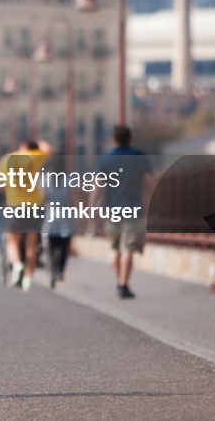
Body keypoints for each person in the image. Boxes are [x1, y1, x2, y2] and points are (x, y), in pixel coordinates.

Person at [94, 124, 151, 299]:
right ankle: (123, 284)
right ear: (130, 138)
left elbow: (97, 185)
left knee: (116, 250)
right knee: (128, 249)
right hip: (134, 210)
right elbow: (149, 182)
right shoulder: (139, 157)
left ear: (114, 139)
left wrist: (93, 205)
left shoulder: (106, 158)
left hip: (112, 211)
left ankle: (119, 281)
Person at [0, 139, 52, 291]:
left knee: (12, 239)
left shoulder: (6, 159)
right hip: (35, 205)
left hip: (15, 205)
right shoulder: (34, 156)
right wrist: (40, 142)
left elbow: (1, 185)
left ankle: (17, 264)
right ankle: (27, 278)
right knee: (32, 244)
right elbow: (48, 149)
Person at [41, 155, 74, 289]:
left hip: (51, 217)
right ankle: (60, 270)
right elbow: (74, 197)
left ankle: (52, 267)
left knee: (51, 245)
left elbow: (43, 197)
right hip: (66, 217)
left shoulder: (45, 179)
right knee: (64, 246)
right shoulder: (69, 178)